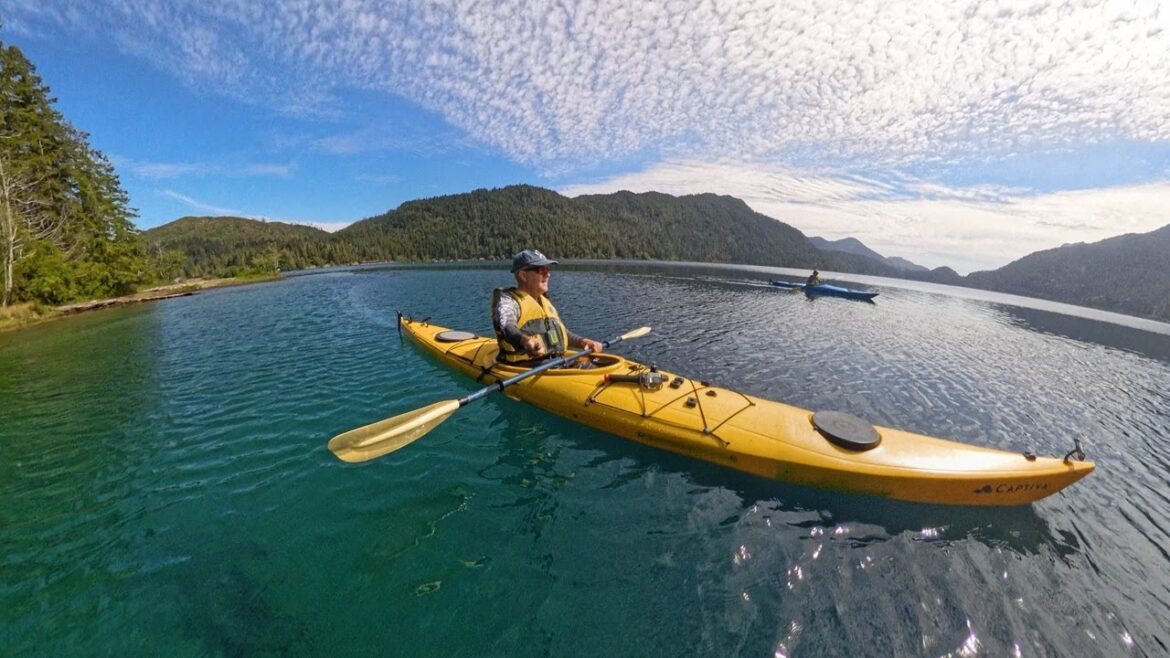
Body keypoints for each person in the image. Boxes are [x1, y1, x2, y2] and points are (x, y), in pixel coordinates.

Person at [491, 249, 603, 367]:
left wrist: (583, 342)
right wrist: (524, 341)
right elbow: (506, 325)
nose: (548, 274)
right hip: (527, 365)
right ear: (523, 275)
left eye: (547, 269)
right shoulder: (509, 301)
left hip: (553, 361)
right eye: (541, 270)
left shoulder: (544, 300)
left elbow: (561, 333)